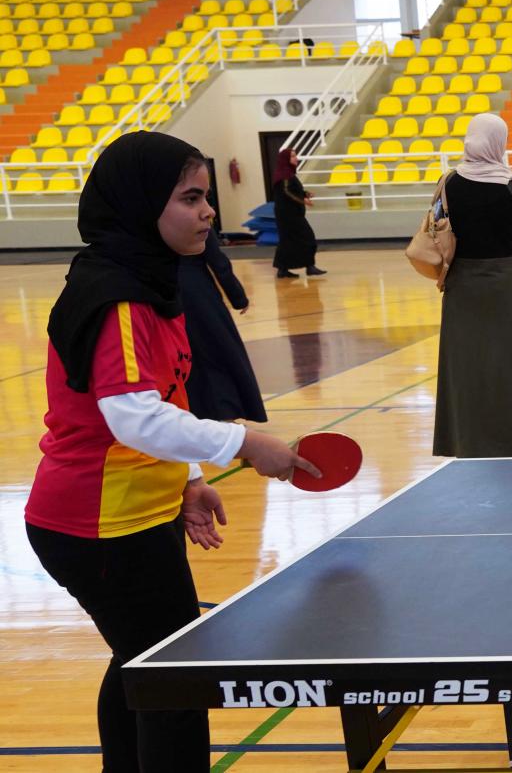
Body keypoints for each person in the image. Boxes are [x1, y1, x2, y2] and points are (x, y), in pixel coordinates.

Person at [29, 131, 315, 771]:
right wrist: (243, 443)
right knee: (176, 681)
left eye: (206, 196)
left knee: (142, 664)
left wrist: (186, 478)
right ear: (141, 204)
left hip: (132, 514)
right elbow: (131, 415)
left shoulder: (152, 282)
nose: (209, 212)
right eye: (191, 198)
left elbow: (167, 397)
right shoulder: (119, 297)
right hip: (97, 525)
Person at [432, 114, 512, 458]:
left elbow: (437, 228)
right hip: (508, 283)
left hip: (463, 285)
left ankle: (465, 442)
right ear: (498, 141)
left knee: (466, 365)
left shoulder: (449, 183)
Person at [178, 227, 265, 422]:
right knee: (216, 351)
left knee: (181, 356)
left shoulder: (149, 215)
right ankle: (225, 410)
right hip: (197, 291)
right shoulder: (192, 216)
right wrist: (238, 297)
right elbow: (217, 261)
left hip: (161, 290)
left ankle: (189, 411)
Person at [269, 147, 321, 278]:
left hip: (290, 213)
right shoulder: (284, 176)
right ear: (286, 159)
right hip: (288, 214)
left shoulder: (287, 174)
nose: (296, 158)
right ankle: (310, 267)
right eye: (292, 156)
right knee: (308, 237)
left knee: (287, 241)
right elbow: (287, 192)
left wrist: (305, 194)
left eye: (295, 155)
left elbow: (292, 190)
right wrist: (303, 200)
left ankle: (283, 269)